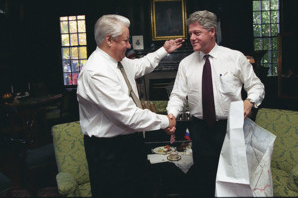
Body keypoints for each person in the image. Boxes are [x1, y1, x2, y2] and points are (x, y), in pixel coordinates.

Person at [77, 14, 183, 198]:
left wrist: (164, 50)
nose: (129, 45)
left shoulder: (119, 62)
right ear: (109, 40)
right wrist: (166, 120)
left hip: (130, 144)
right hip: (109, 151)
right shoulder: (96, 72)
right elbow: (128, 116)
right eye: (125, 40)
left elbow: (141, 65)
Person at [166, 10, 265, 197]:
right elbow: (178, 95)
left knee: (233, 177)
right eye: (190, 34)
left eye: (197, 33)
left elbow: (256, 86)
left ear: (212, 31)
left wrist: (249, 101)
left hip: (230, 128)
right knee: (204, 178)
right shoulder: (186, 64)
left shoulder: (234, 57)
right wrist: (171, 116)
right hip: (200, 129)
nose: (192, 38)